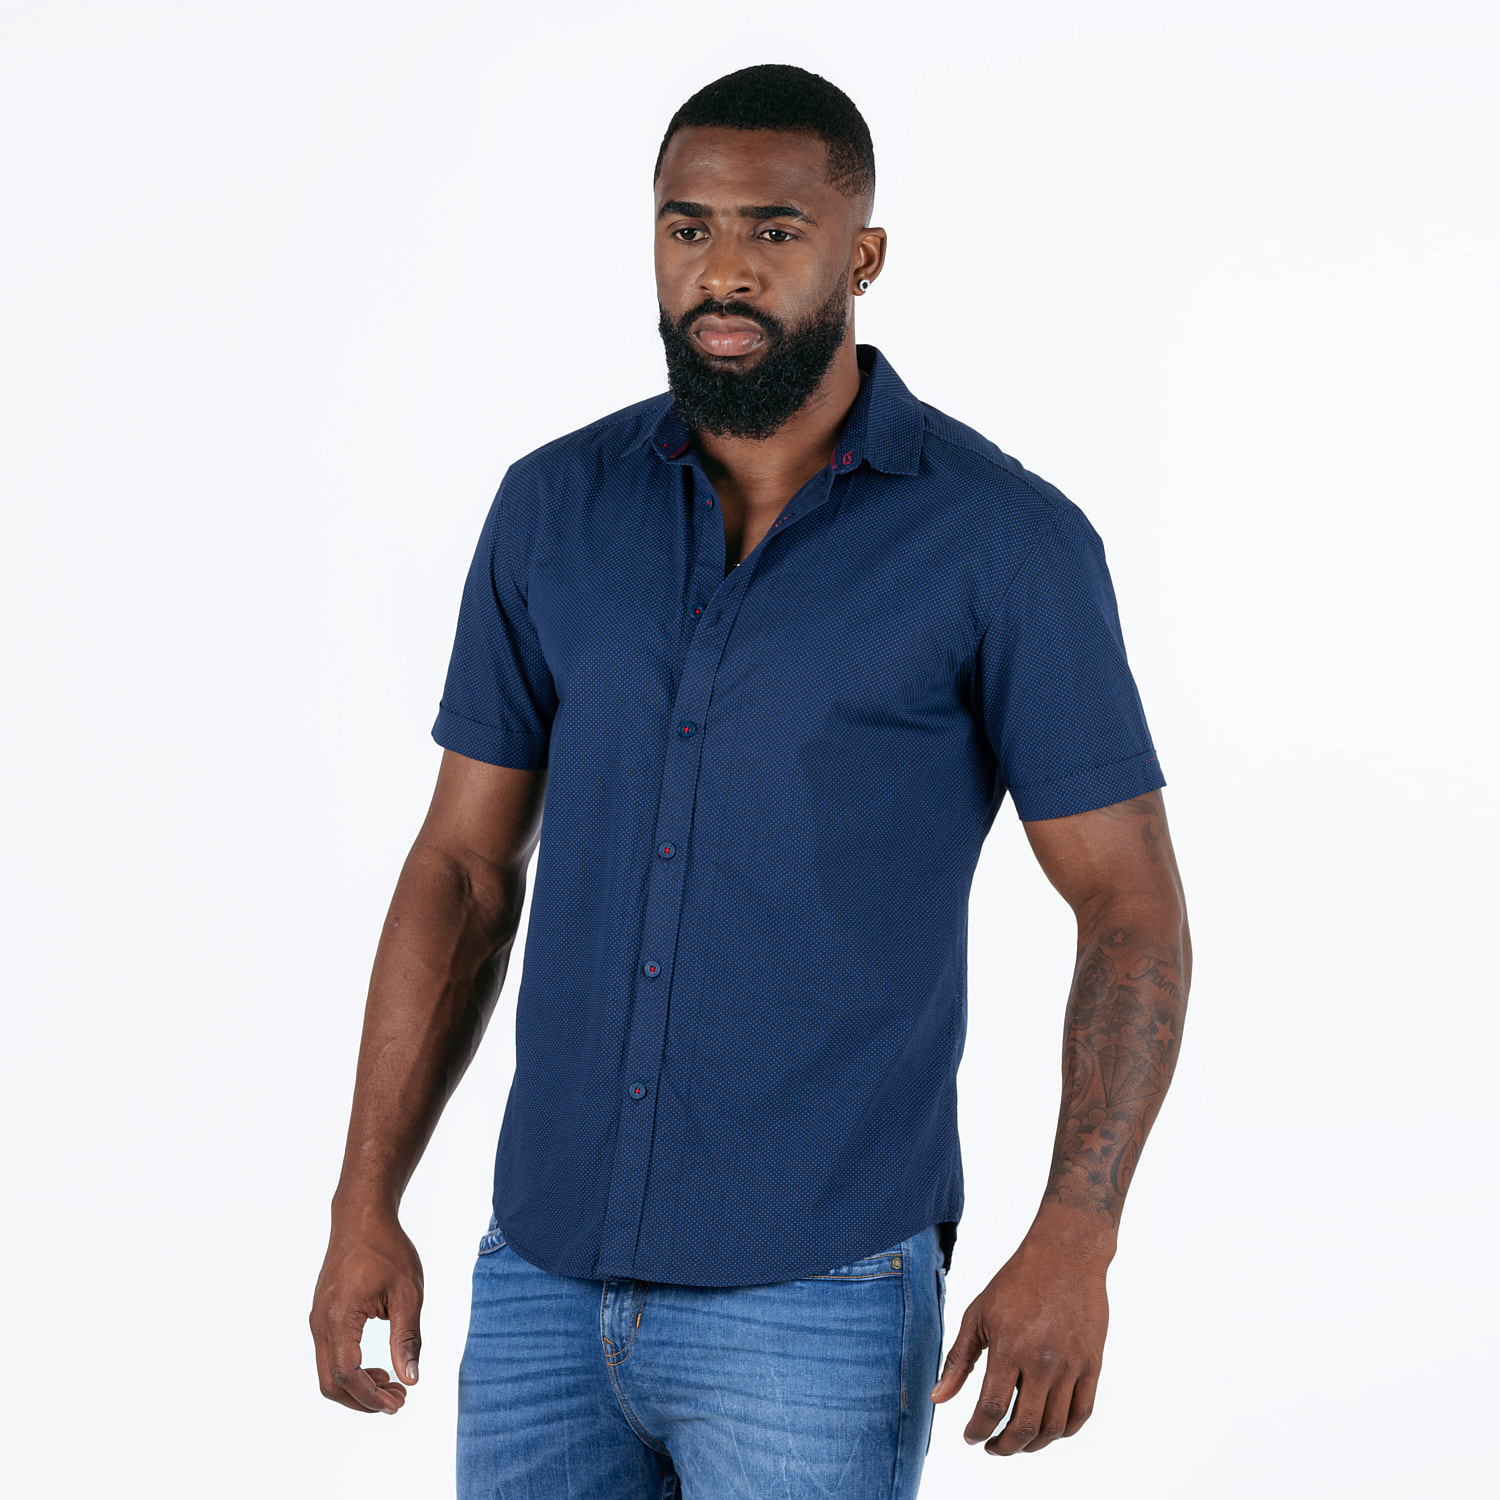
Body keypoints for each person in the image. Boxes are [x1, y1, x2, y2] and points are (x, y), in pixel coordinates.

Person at [309, 62, 1191, 1499]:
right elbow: (462, 870)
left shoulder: (1004, 544)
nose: (722, 270)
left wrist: (1076, 1239)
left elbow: (1130, 908)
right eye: (688, 227)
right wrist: (367, 1199)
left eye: (775, 231)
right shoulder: (552, 508)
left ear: (863, 255)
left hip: (820, 1293)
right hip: (539, 1276)